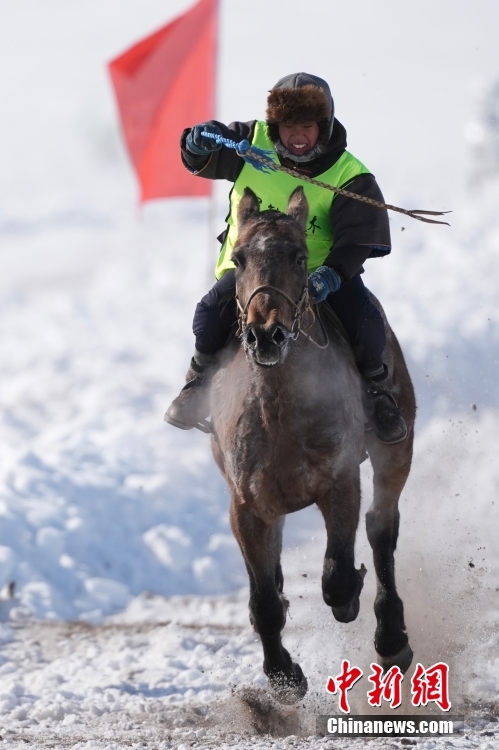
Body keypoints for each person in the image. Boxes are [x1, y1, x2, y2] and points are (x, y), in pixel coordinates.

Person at [164, 72, 407, 445]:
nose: (296, 136)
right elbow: (206, 155)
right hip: (253, 273)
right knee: (211, 311)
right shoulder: (249, 144)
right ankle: (196, 383)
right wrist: (195, 145)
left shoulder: (349, 174)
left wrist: (331, 275)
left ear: (322, 128)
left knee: (365, 319)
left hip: (317, 275)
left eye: (306, 127)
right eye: (288, 127)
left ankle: (378, 394)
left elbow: (357, 240)